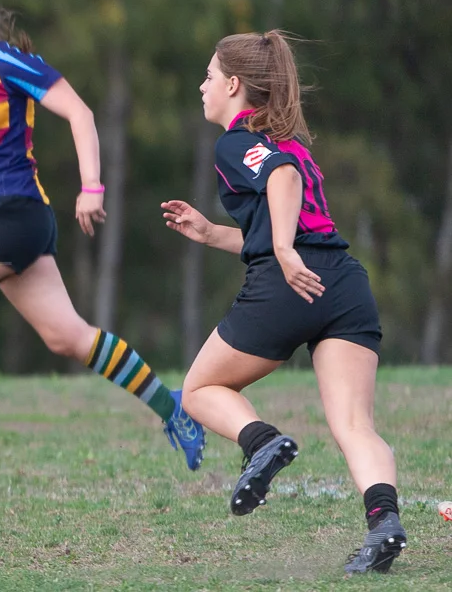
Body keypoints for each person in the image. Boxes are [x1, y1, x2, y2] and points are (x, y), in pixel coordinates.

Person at [0, 0, 206, 471]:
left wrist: (91, 186)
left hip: (13, 211)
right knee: (68, 338)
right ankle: (174, 408)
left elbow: (81, 114)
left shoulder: (7, 62)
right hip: (2, 219)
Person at [162, 30, 406, 574]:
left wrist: (281, 250)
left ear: (233, 84)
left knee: (198, 390)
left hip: (289, 283)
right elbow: (287, 201)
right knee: (355, 425)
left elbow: (282, 178)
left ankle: (261, 442)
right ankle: (384, 523)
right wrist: (212, 233)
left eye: (208, 75)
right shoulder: (288, 141)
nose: (202, 86)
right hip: (343, 283)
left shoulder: (238, 140)